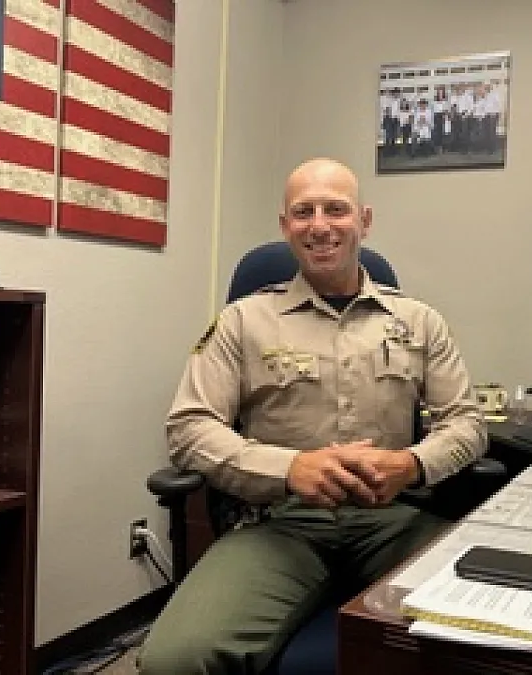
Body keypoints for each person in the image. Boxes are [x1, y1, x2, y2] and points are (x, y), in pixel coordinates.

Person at [138, 157, 487, 674]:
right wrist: (288, 470)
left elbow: (468, 423)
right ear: (285, 227)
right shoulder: (242, 322)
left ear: (364, 221)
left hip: (392, 519)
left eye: (336, 210)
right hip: (282, 524)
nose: (320, 225)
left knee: (491, 634)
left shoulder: (419, 322)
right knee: (174, 661)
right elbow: (189, 428)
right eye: (304, 212)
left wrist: (410, 465)